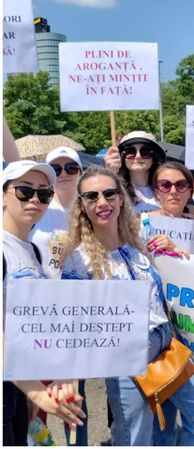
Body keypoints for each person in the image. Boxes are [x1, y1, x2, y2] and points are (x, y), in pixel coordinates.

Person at [60, 166, 194, 445]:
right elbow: (73, 321)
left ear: (121, 198)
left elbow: (180, 273)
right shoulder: (77, 259)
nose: (102, 203)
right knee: (136, 438)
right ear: (82, 204)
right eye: (92, 197)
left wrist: (175, 249)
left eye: (109, 194)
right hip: (124, 357)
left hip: (167, 345)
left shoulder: (141, 239)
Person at [3, 160, 87, 446]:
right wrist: (38, 393)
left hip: (16, 386)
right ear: (3, 196)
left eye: (44, 194)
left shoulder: (34, 252)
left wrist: (62, 376)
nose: (35, 199)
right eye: (25, 191)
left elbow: (34, 323)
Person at [30, 147, 83, 279]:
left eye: (71, 168)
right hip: (42, 291)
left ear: (80, 173)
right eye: (56, 169)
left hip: (83, 290)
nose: (64, 173)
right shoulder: (36, 207)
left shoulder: (92, 208)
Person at [104, 131, 167, 213]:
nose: (138, 156)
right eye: (130, 152)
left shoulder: (167, 189)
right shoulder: (116, 190)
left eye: (145, 152)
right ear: (123, 158)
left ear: (153, 159)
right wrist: (109, 175)